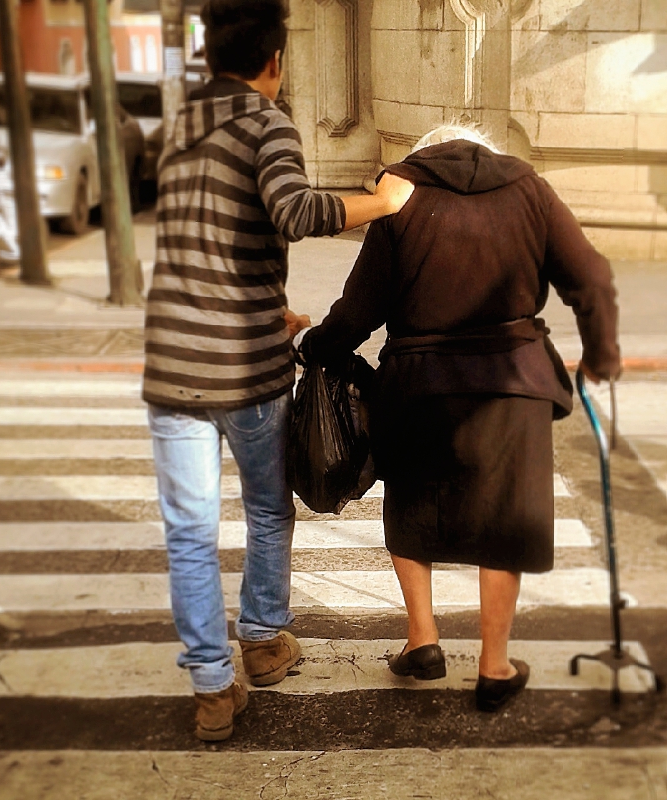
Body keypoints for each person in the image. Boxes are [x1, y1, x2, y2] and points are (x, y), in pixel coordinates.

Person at [144, 0, 413, 742]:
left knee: (190, 535)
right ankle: (262, 641)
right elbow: (294, 211)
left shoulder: (178, 126)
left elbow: (208, 235)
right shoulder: (267, 122)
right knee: (267, 509)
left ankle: (210, 688)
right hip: (244, 367)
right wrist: (381, 202)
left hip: (172, 362)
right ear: (273, 61)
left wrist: (271, 300)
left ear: (208, 57)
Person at [301, 124, 620, 713]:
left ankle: (423, 641)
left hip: (420, 384)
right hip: (513, 382)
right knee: (502, 515)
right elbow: (593, 278)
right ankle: (495, 665)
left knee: (413, 502)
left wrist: (318, 346)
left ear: (427, 153)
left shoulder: (403, 194)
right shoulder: (530, 191)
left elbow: (359, 308)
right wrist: (601, 357)